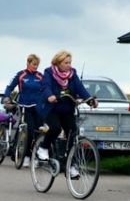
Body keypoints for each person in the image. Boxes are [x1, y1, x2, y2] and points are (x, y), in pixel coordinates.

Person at [35, 50, 98, 178]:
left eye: (70, 62)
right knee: (56, 128)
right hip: (50, 108)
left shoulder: (72, 74)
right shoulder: (49, 73)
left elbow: (80, 88)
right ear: (58, 63)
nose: (68, 65)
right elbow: (46, 86)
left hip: (67, 109)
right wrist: (50, 96)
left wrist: (90, 100)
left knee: (73, 133)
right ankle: (43, 148)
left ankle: (71, 165)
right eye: (66, 62)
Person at [3, 54, 44, 166]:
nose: (35, 67)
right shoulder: (21, 75)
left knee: (39, 133)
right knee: (29, 132)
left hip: (37, 107)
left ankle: (35, 157)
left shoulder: (40, 76)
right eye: (33, 64)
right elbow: (10, 86)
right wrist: (7, 96)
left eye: (37, 65)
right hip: (25, 107)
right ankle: (25, 156)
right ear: (28, 63)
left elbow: (47, 88)